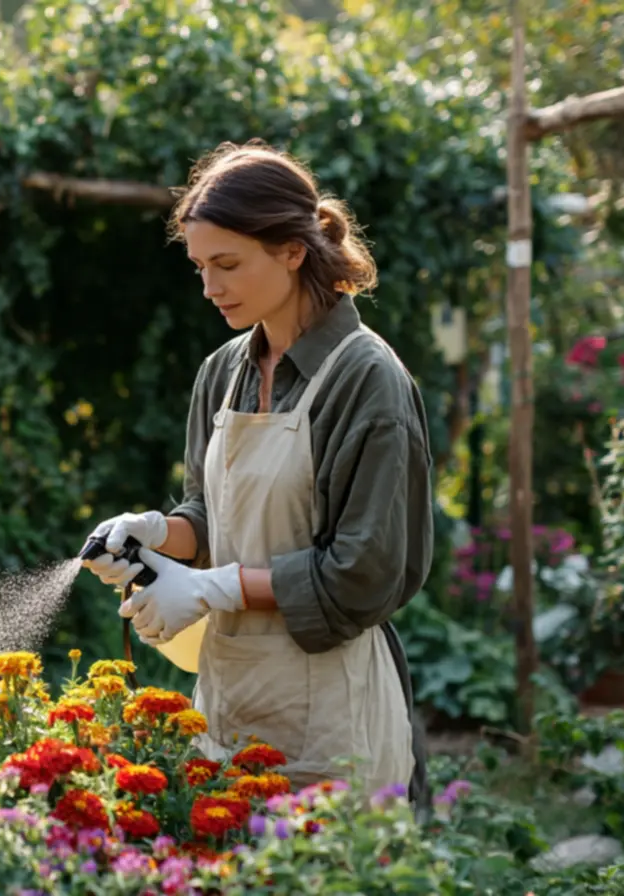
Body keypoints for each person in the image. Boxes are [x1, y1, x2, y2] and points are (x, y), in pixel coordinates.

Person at [82, 140, 431, 804]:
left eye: (228, 264)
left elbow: (364, 570)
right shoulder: (223, 372)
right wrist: (155, 536)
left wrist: (216, 589)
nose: (210, 287)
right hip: (227, 698)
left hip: (332, 716)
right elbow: (211, 518)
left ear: (293, 251)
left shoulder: (366, 381)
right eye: (199, 268)